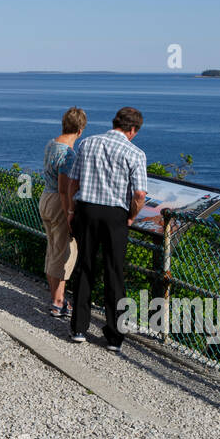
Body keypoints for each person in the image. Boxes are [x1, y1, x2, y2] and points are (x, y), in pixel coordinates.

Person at [65, 106, 147, 351]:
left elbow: (73, 181)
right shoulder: (135, 153)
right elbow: (140, 193)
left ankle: (79, 327)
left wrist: (71, 211)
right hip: (115, 215)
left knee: (84, 267)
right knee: (114, 273)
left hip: (87, 210)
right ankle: (114, 337)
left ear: (115, 123)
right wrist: (131, 216)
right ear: (132, 130)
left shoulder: (88, 144)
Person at [38, 107, 87, 318]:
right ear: (80, 130)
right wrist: (70, 212)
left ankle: (55, 297)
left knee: (52, 248)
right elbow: (64, 188)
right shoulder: (68, 153)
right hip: (59, 202)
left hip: (45, 198)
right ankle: (58, 302)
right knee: (64, 252)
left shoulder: (51, 144)